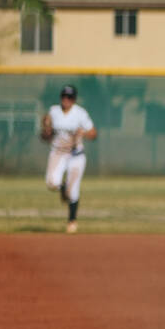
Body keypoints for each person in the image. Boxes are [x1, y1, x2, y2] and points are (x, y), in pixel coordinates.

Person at [40, 84, 96, 233]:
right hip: (58, 153)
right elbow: (45, 136)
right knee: (51, 183)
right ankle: (62, 187)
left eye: (70, 97)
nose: (66, 99)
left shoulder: (80, 113)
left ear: (74, 99)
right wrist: (45, 130)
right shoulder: (54, 111)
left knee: (73, 191)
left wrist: (83, 133)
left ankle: (72, 221)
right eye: (64, 96)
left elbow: (93, 133)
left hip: (76, 155)